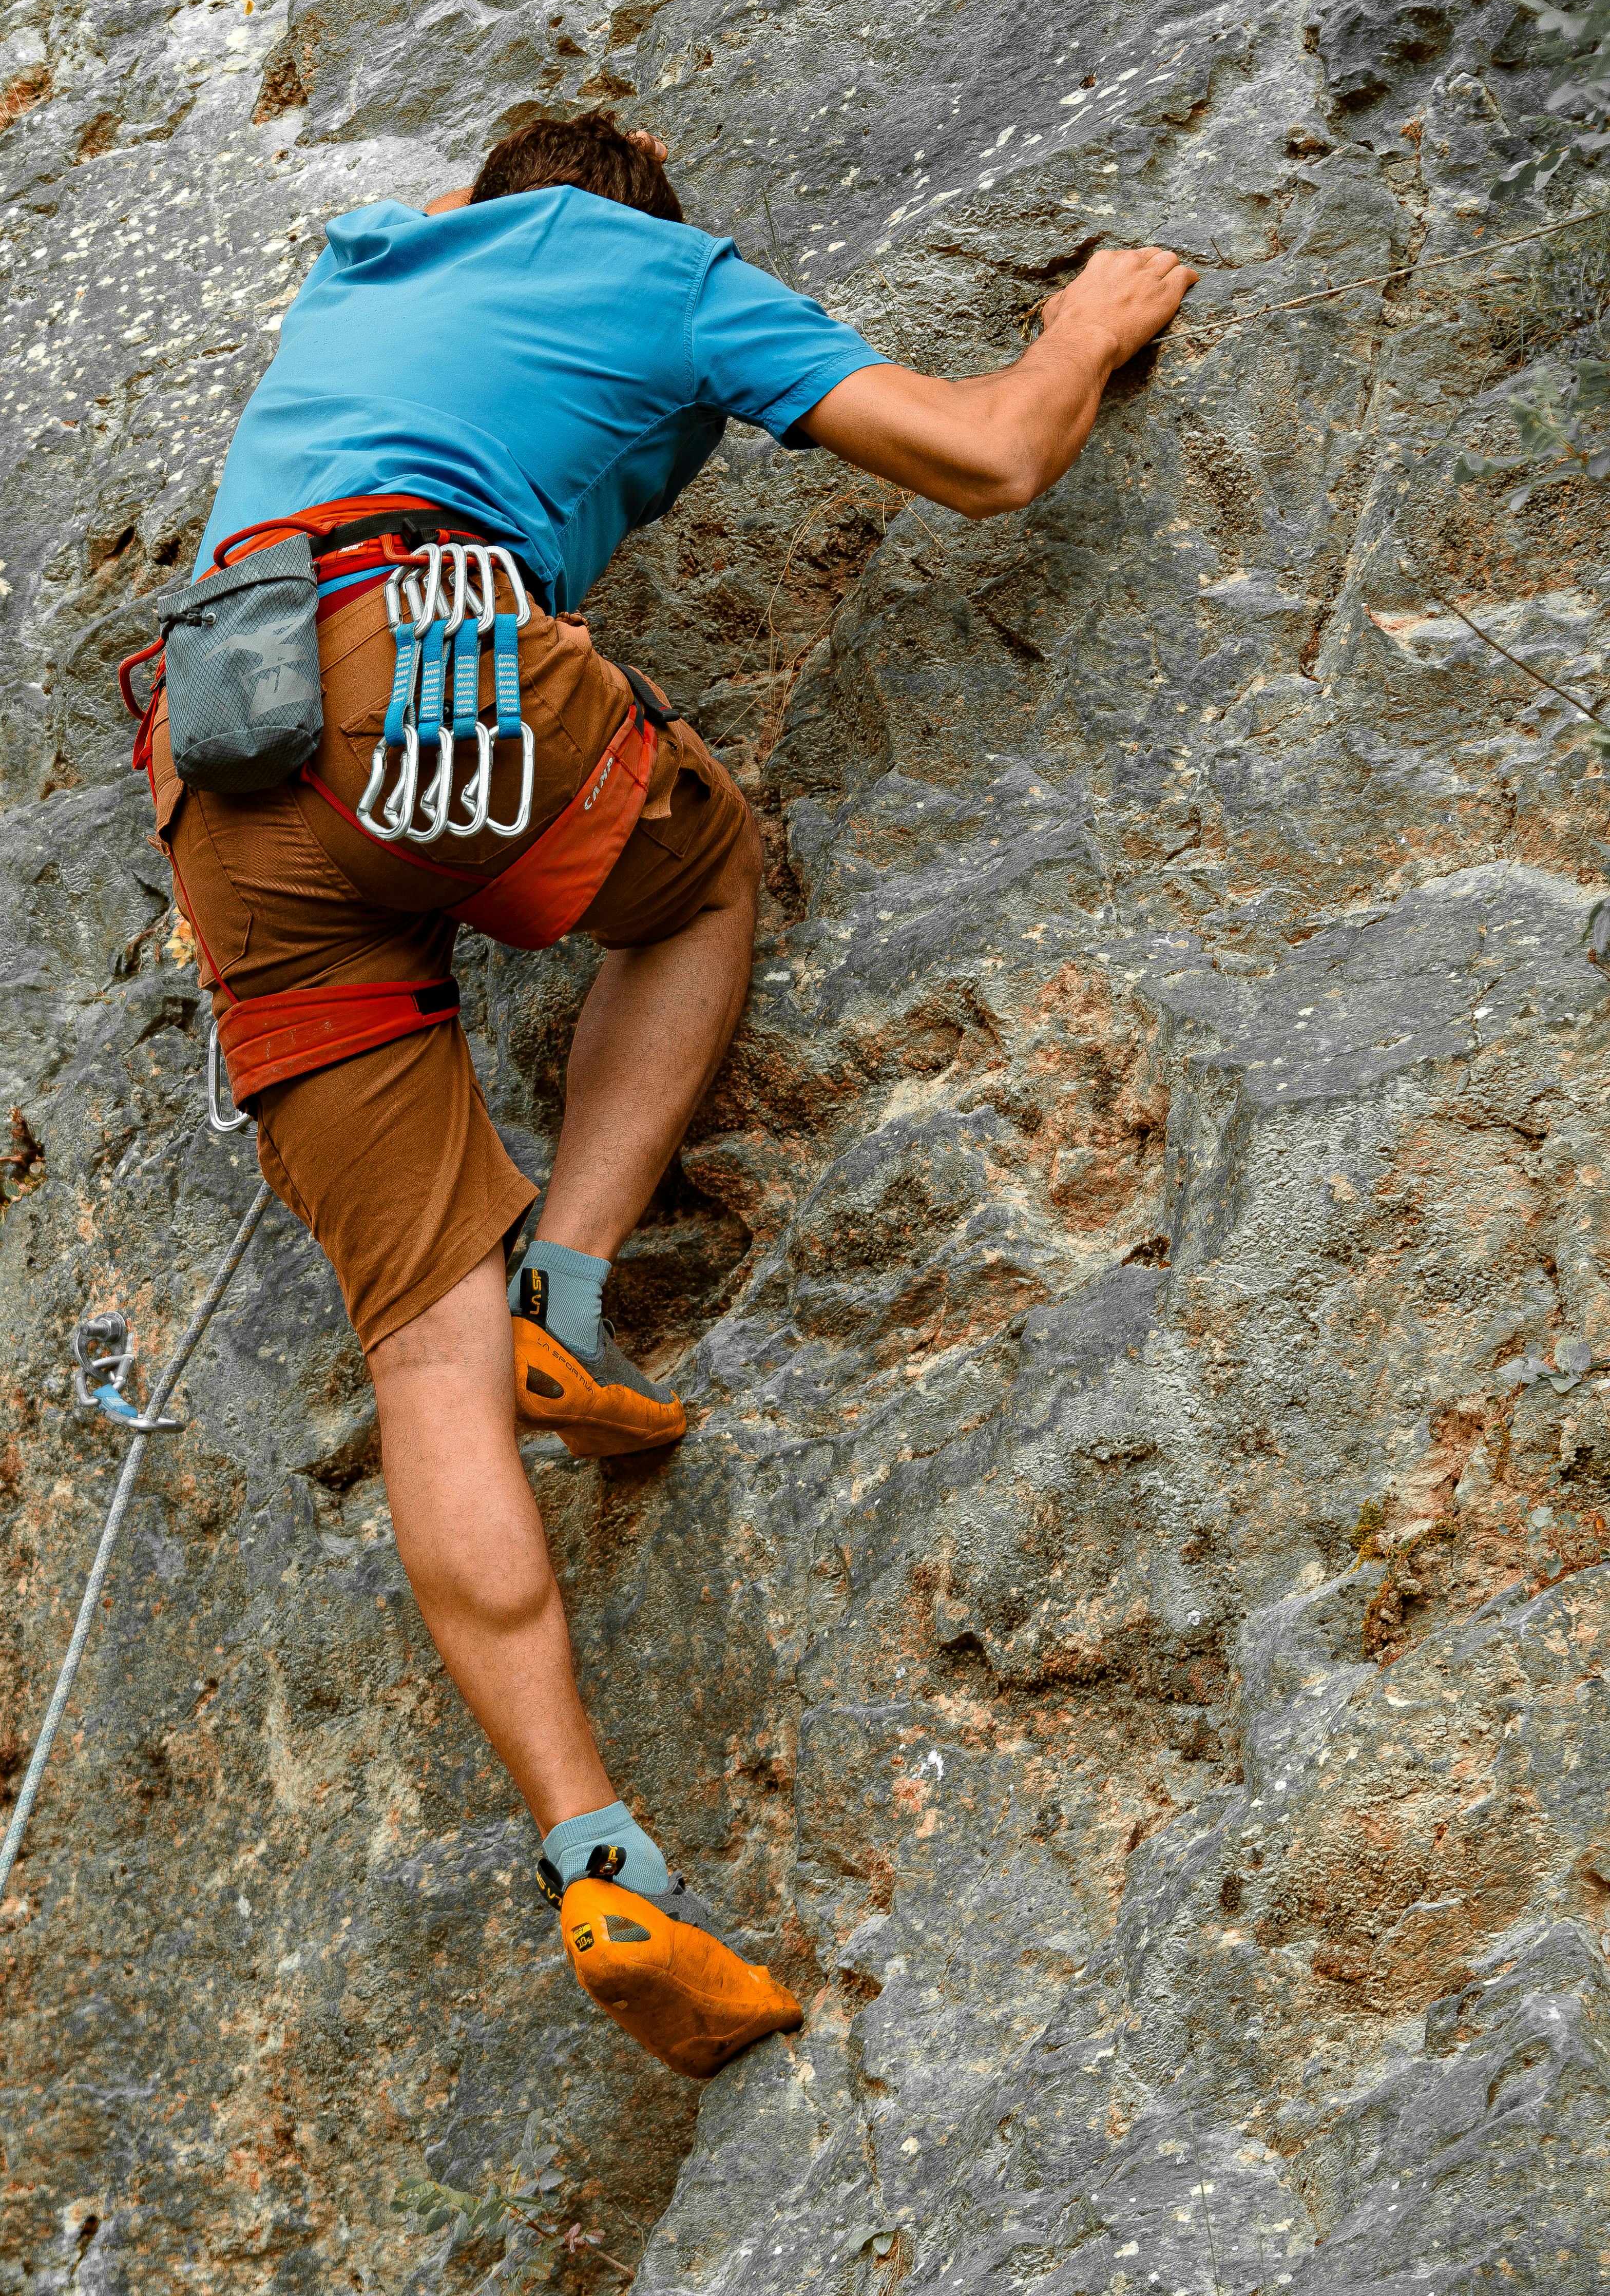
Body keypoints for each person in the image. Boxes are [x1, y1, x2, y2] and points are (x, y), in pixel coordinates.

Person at [139, 112, 1195, 2078]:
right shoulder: (660, 274)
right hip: (435, 673)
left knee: (412, 1361)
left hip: (231, 768)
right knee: (701, 871)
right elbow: (988, 456)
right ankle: (579, 1284)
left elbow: (456, 263)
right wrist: (1084, 331)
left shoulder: (367, 264)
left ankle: (596, 1853)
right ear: (634, 208)